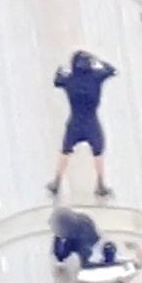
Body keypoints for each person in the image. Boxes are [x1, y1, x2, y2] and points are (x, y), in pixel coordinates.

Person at [47, 50, 117, 198]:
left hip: (75, 121)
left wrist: (61, 70)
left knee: (65, 151)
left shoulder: (69, 79)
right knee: (98, 151)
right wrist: (100, 62)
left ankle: (56, 183)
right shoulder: (96, 77)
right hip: (91, 120)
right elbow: (112, 70)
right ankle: (100, 184)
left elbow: (56, 80)